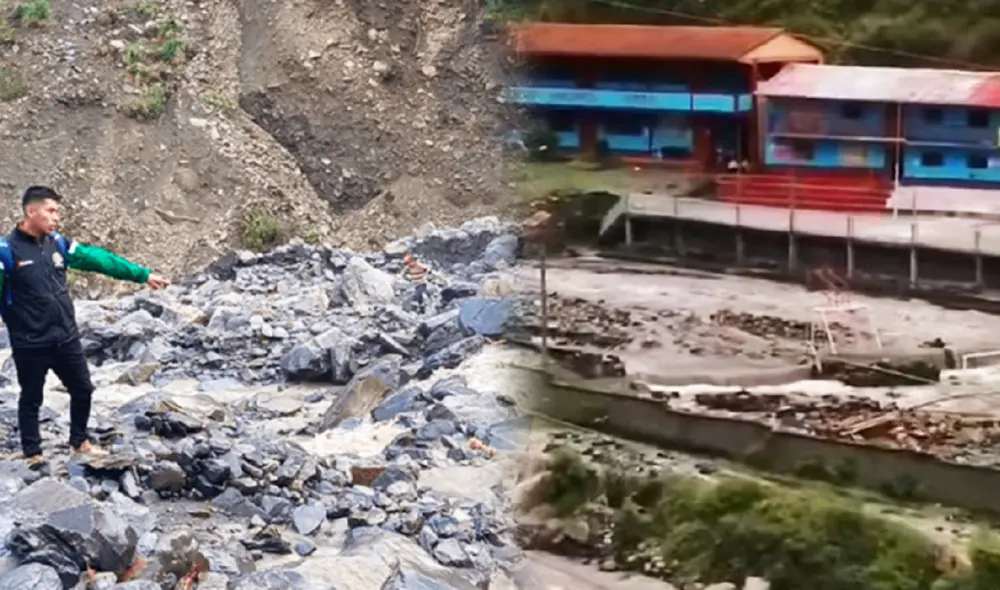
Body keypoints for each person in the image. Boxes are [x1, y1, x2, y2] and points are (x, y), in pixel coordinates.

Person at [0, 186, 169, 468]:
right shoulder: (6, 252)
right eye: (50, 211)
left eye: (57, 211)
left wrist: (142, 275)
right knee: (31, 397)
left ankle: (79, 442)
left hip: (65, 338)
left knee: (83, 389)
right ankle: (32, 453)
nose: (56, 217)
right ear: (31, 211)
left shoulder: (58, 244)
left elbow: (98, 260)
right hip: (30, 342)